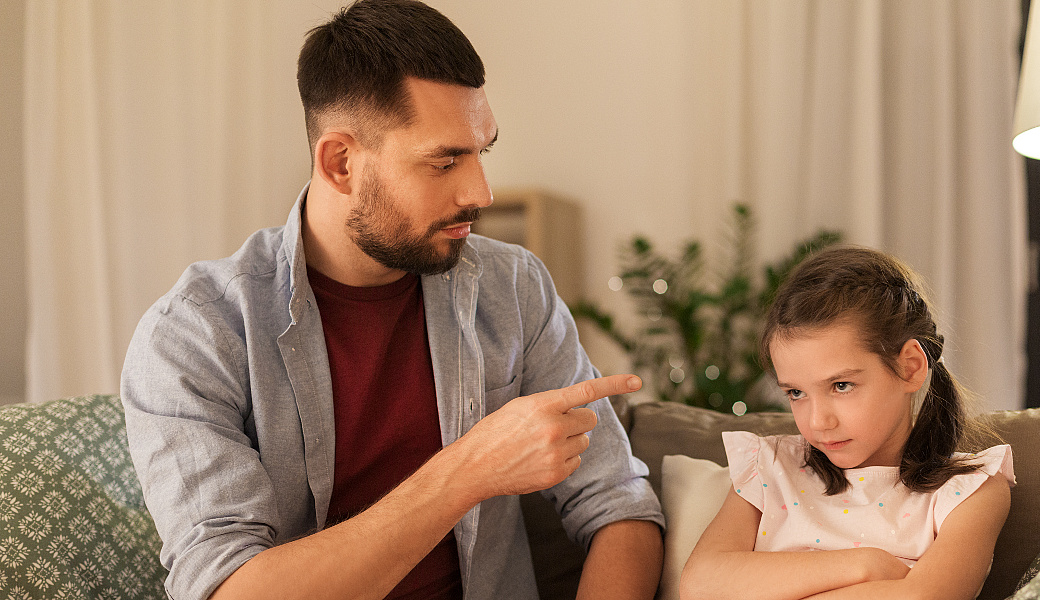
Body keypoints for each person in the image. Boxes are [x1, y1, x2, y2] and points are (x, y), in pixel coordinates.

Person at [120, 2, 664, 599]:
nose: (479, 190)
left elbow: (619, 506)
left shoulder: (512, 287)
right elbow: (229, 590)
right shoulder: (195, 334)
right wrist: (470, 470)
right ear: (341, 162)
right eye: (444, 161)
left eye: (481, 151)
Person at [680, 246, 1014, 599]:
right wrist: (869, 566)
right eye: (795, 393)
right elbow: (698, 585)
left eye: (841, 386)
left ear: (911, 367)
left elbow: (920, 598)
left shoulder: (969, 492)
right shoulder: (770, 470)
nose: (817, 421)